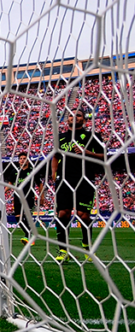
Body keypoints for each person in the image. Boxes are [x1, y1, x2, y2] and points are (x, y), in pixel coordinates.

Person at [51, 112, 105, 263]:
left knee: (83, 215)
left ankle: (87, 247)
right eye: (70, 115)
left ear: (84, 119)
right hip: (64, 179)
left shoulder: (92, 136)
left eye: (79, 115)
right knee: (63, 213)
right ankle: (63, 250)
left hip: (85, 178)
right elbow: (55, 157)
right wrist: (54, 173)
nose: (74, 117)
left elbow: (104, 155)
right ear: (67, 119)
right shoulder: (60, 137)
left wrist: (87, 153)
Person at [3, 151, 45, 245]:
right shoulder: (15, 171)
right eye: (20, 159)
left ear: (28, 160)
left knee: (26, 216)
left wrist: (41, 196)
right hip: (17, 197)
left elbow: (40, 184)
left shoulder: (32, 171)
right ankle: (29, 234)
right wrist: (3, 193)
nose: (22, 160)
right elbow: (10, 184)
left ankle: (28, 236)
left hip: (29, 197)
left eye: (24, 158)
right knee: (18, 218)